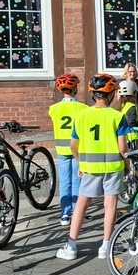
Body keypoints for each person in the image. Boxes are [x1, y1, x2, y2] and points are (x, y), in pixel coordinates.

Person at [56, 73, 129, 260]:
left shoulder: (81, 116)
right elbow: (122, 147)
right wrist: (126, 164)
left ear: (93, 94)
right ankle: (106, 246)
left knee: (81, 204)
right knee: (110, 204)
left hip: (89, 167)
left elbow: (73, 145)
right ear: (112, 93)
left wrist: (80, 163)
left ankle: (71, 246)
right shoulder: (117, 116)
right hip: (113, 167)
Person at [48, 73, 88, 226]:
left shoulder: (54, 108)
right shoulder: (83, 108)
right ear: (75, 88)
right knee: (77, 181)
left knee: (64, 181)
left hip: (61, 149)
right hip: (78, 149)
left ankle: (65, 213)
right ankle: (77, 212)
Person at [112, 80, 138, 151]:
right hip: (132, 140)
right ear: (134, 93)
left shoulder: (116, 107)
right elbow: (131, 122)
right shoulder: (132, 106)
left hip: (119, 138)